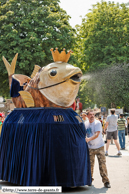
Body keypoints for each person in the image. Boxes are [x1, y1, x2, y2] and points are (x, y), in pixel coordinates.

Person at [84, 110, 111, 188]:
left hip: (99, 147)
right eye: (90, 114)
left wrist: (88, 139)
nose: (92, 116)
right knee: (90, 165)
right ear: (87, 116)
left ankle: (106, 181)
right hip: (90, 148)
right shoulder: (85, 124)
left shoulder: (97, 123)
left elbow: (97, 134)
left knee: (102, 165)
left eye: (93, 114)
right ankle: (89, 180)